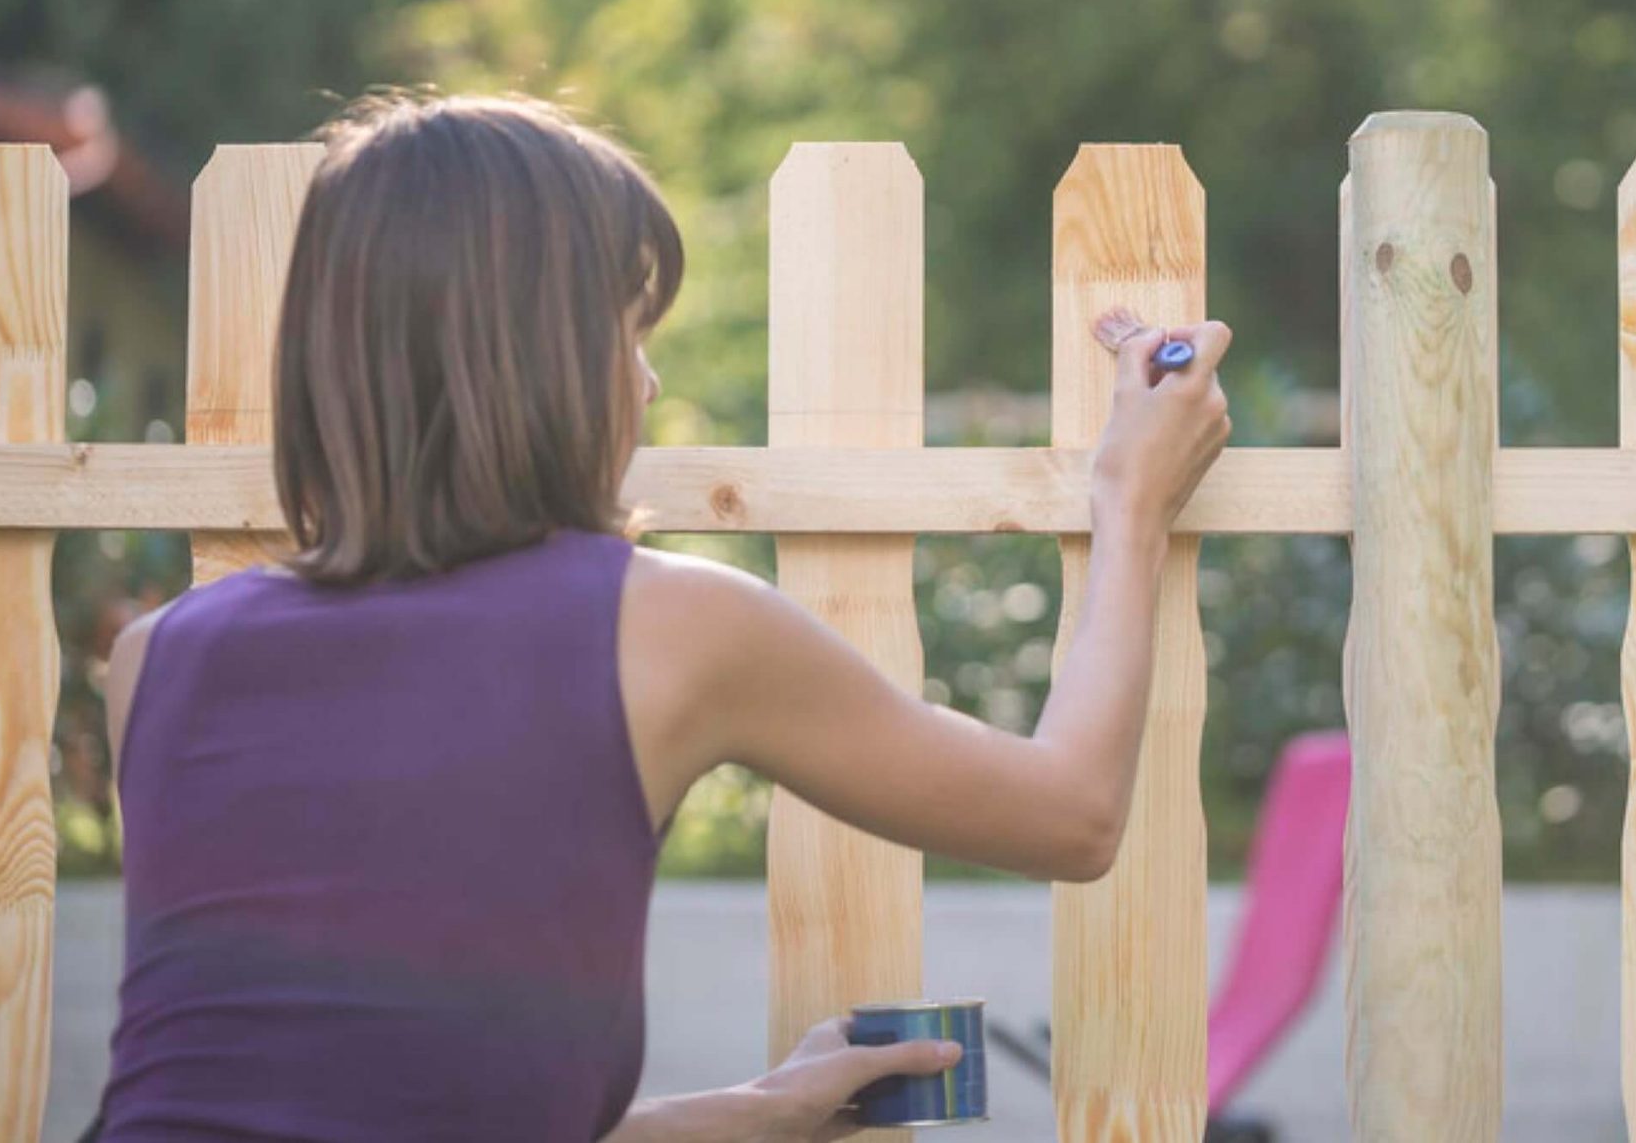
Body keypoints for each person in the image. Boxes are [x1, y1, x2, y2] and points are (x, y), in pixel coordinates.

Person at [94, 93, 1232, 1142]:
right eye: (625, 334)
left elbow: (357, 1101)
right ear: (532, 359)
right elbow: (1071, 814)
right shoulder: (656, 625)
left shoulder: (160, 660)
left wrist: (751, 1112)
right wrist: (1130, 501)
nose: (642, 384)